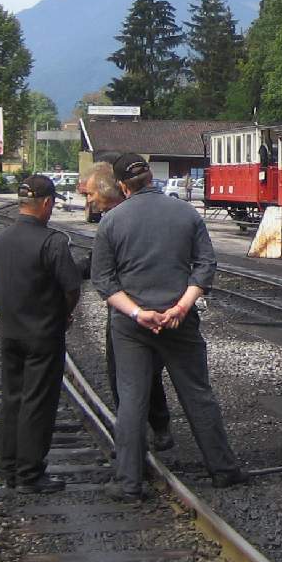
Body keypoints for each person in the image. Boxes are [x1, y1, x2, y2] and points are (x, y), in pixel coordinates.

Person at [92, 152, 246, 501]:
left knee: (132, 398)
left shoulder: (111, 222)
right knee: (196, 392)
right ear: (150, 178)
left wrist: (137, 313)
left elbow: (103, 281)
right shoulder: (186, 213)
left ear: (121, 186)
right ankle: (222, 469)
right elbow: (205, 265)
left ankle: (128, 481)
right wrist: (181, 306)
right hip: (180, 321)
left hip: (131, 325)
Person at [0, 174, 80, 494]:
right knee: (37, 402)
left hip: (11, 330)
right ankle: (30, 472)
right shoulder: (52, 241)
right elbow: (71, 287)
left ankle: (8, 466)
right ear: (46, 203)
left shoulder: (0, 239)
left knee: (11, 398)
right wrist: (63, 314)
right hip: (43, 333)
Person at [81, 162, 174, 452]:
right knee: (147, 371)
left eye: (91, 193)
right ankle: (154, 428)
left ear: (110, 191)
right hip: (156, 303)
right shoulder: (119, 215)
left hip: (131, 307)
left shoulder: (118, 219)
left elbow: (103, 271)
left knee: (124, 373)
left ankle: (132, 439)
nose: (88, 200)